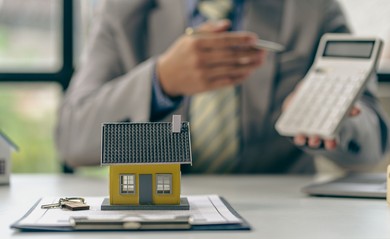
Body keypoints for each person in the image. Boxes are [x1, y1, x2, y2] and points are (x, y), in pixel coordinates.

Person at [56, 0, 389, 174]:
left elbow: (374, 140)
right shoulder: (123, 11)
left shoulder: (312, 8)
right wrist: (160, 81)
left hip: (282, 221)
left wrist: (337, 118)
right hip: (159, 217)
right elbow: (72, 138)